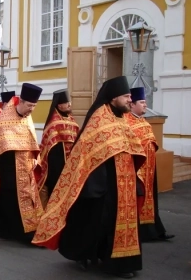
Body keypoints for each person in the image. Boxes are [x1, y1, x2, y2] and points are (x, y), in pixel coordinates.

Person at [32, 76, 147, 279]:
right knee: (95, 221)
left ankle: (118, 261)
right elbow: (88, 152)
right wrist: (95, 184)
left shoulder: (121, 118)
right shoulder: (100, 118)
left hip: (123, 182)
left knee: (113, 222)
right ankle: (88, 256)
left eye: (130, 96)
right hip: (102, 182)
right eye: (126, 96)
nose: (130, 100)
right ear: (113, 99)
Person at [0, 83, 43, 243]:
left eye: (34, 106)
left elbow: (32, 141)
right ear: (21, 102)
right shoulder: (3, 119)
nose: (32, 109)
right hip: (7, 168)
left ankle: (12, 230)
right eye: (29, 105)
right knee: (8, 199)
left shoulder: (27, 120)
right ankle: (15, 232)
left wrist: (35, 159)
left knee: (21, 199)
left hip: (24, 167)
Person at [125, 87, 175, 242]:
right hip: (137, 171)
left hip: (150, 170)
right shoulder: (126, 122)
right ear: (132, 105)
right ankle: (138, 233)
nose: (145, 105)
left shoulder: (143, 121)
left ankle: (155, 231)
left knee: (151, 201)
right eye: (142, 102)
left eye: (145, 102)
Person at [36, 89, 79, 208]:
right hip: (57, 166)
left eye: (69, 102)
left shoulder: (71, 119)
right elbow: (51, 148)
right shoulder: (54, 122)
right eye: (67, 103)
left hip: (71, 164)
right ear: (59, 105)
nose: (70, 105)